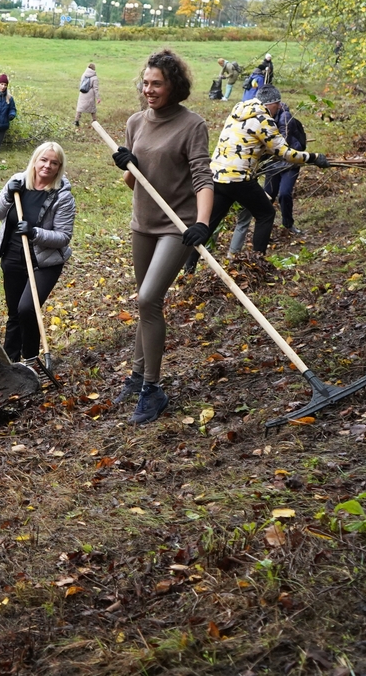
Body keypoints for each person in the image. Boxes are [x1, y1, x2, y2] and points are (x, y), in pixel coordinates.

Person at [110, 49, 212, 425]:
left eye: (157, 84)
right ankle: (137, 378)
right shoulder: (135, 122)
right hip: (143, 224)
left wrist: (201, 223)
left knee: (149, 298)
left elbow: (202, 176)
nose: (149, 89)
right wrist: (127, 167)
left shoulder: (191, 125)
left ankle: (153, 389)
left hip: (177, 226)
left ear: (174, 86)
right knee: (145, 307)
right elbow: (132, 183)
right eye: (146, 83)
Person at [206, 84, 329, 258]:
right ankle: (258, 262)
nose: (278, 108)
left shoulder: (239, 110)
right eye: (277, 104)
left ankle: (188, 267)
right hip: (238, 178)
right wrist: (314, 157)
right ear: (270, 103)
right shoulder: (263, 119)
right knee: (266, 213)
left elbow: (247, 143)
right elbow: (286, 153)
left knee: (210, 222)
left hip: (217, 174)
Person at [0, 142, 75, 364]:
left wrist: (34, 232)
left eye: (54, 163)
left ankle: (30, 358)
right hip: (13, 257)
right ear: (35, 161)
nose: (47, 166)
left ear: (59, 167)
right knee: (15, 314)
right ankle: (11, 362)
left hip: (44, 262)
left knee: (27, 309)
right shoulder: (18, 182)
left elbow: (63, 237)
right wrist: (8, 194)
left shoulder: (62, 196)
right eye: (44, 160)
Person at [75, 62, 100, 127]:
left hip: (82, 93)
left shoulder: (84, 75)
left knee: (80, 107)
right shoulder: (94, 77)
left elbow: (81, 84)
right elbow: (95, 88)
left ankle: (76, 120)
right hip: (90, 95)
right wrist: (98, 98)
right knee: (92, 108)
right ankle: (94, 121)